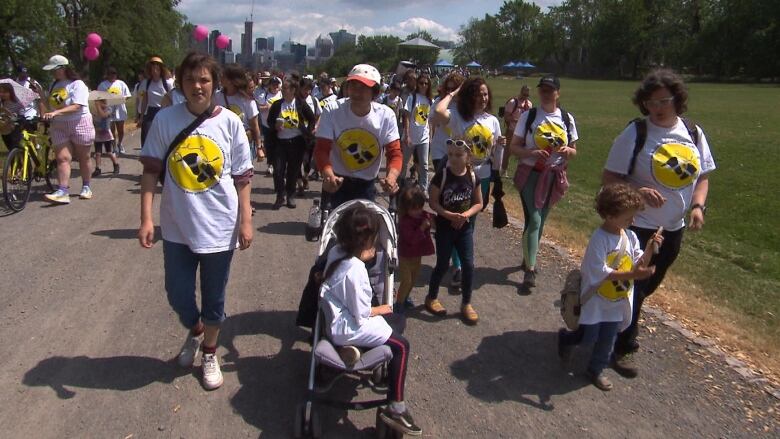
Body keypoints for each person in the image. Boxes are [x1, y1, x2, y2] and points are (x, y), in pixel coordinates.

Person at [137, 52, 254, 390]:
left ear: (215, 84)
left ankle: (209, 351)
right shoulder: (165, 119)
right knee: (177, 294)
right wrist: (146, 218)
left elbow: (243, 178)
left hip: (219, 227)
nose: (197, 86)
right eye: (190, 80)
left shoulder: (230, 122)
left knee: (214, 300)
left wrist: (245, 221)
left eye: (204, 79)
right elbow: (150, 172)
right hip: (176, 227)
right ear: (181, 84)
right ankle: (196, 329)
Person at [602, 69, 715, 377]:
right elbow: (610, 178)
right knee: (637, 284)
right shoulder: (636, 133)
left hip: (673, 228)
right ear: (644, 104)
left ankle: (605, 321)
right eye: (651, 103)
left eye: (664, 100)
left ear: (677, 99)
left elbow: (702, 176)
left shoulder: (693, 133)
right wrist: (637, 191)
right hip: (639, 225)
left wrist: (697, 206)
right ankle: (622, 346)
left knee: (648, 284)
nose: (658, 107)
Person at [320, 205, 422, 436]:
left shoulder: (336, 254)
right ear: (367, 241)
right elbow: (361, 313)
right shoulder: (355, 270)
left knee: (395, 320)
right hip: (348, 326)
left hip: (338, 323)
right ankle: (396, 406)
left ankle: (352, 349)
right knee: (402, 345)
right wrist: (380, 308)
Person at [558, 184, 663, 391]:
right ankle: (566, 338)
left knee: (608, 339)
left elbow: (637, 262)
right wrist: (633, 275)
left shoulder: (629, 237)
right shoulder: (599, 240)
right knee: (588, 336)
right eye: (627, 218)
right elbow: (600, 272)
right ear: (609, 216)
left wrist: (650, 248)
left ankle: (596, 370)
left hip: (616, 300)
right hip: (596, 299)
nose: (632, 222)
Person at [431, 76, 504, 290]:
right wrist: (453, 93)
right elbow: (437, 113)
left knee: (470, 221)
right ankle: (458, 266)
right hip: (459, 175)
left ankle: (461, 261)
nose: (483, 98)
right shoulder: (458, 118)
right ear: (468, 96)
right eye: (478, 93)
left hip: (483, 174)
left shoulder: (492, 120)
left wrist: (498, 161)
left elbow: (495, 149)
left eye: (485, 94)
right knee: (457, 220)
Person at [508, 75, 578, 291]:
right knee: (535, 220)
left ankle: (528, 255)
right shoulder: (529, 117)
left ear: (558, 93)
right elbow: (514, 147)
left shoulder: (567, 119)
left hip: (554, 177)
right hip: (531, 174)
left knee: (538, 221)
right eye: (543, 90)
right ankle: (530, 270)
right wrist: (531, 152)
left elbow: (575, 150)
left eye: (550, 90)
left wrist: (568, 151)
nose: (546, 93)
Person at [314, 64, 402, 208]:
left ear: (375, 92)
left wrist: (391, 177)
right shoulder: (333, 110)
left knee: (364, 228)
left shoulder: (386, 115)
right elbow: (321, 149)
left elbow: (395, 153)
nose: (356, 92)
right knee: (331, 226)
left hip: (366, 185)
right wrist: (328, 174)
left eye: (363, 87)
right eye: (353, 85)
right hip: (336, 181)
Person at [425, 139, 484, 324]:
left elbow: (479, 203)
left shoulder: (473, 177)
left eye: (458, 155)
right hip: (445, 227)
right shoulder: (441, 176)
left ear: (468, 156)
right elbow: (433, 202)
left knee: (469, 264)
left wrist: (465, 215)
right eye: (450, 155)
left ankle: (466, 303)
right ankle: (431, 297)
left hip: (464, 227)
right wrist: (448, 214)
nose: (454, 159)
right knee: (442, 264)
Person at [36, 55, 95, 204]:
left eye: (54, 70)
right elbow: (50, 105)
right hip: (59, 125)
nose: (52, 73)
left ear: (63, 68)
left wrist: (56, 113)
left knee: (84, 157)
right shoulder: (53, 85)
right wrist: (41, 96)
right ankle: (63, 190)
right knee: (62, 158)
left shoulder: (77, 84)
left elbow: (77, 105)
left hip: (79, 122)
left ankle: (86, 186)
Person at [267, 77, 316, 209]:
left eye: (285, 89)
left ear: (293, 90)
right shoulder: (277, 105)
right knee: (278, 170)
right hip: (280, 142)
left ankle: (290, 195)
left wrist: (308, 131)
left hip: (296, 142)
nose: (283, 91)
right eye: (282, 89)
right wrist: (275, 126)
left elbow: (312, 118)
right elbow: (269, 122)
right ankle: (280, 196)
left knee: (293, 171)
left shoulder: (300, 103)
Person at [395, 185, 434, 311]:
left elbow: (434, 219)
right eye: (414, 209)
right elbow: (411, 239)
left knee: (413, 280)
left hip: (417, 255)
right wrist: (422, 228)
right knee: (406, 280)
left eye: (420, 207)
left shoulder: (423, 215)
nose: (418, 211)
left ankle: (405, 298)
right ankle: (399, 303)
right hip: (405, 255)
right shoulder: (404, 222)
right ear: (406, 208)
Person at [215, 64, 261, 160]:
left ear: (231, 81)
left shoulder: (248, 101)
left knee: (242, 173)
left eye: (223, 76)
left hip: (243, 144)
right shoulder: (216, 97)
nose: (220, 78)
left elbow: (255, 126)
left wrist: (259, 147)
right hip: (222, 143)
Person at [402, 73, 433, 192]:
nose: (424, 86)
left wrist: (430, 136)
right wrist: (407, 135)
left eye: (426, 83)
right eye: (421, 83)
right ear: (417, 84)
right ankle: (400, 184)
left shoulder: (430, 100)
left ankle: (423, 188)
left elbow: (429, 120)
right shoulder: (412, 97)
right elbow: (407, 117)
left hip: (423, 136)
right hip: (411, 136)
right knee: (404, 162)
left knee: (424, 165)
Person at [136, 56, 174, 146]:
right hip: (151, 111)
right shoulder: (146, 83)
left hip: (164, 111)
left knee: (163, 136)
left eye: (157, 66)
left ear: (161, 68)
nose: (155, 69)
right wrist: (141, 117)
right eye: (153, 67)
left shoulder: (167, 83)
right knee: (146, 135)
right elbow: (145, 100)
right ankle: (146, 154)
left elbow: (172, 99)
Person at [97, 67, 131, 154]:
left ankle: (120, 144)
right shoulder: (103, 85)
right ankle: (114, 146)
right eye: (110, 73)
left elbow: (127, 95)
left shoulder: (121, 83)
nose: (112, 75)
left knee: (120, 130)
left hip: (120, 109)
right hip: (108, 110)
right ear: (107, 75)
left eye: (114, 73)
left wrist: (119, 100)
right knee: (111, 130)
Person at [501, 85, 532, 176]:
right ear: (521, 92)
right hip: (511, 131)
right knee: (507, 151)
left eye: (527, 95)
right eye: (524, 94)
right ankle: (503, 170)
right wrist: (518, 121)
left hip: (523, 133)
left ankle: (520, 172)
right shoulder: (512, 102)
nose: (525, 96)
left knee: (522, 152)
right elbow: (506, 116)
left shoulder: (529, 104)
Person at [256, 76, 282, 175]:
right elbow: (258, 108)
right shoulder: (264, 95)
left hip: (279, 125)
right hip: (266, 124)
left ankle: (278, 164)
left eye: (277, 84)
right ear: (269, 86)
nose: (275, 86)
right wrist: (267, 107)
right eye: (273, 84)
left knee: (278, 146)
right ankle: (270, 164)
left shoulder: (282, 94)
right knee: (269, 146)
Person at [91, 98, 119, 176]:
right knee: (98, 153)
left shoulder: (108, 110)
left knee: (109, 152)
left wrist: (98, 106)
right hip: (97, 134)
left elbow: (103, 116)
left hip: (106, 134)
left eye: (101, 103)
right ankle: (98, 168)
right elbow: (93, 119)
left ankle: (116, 164)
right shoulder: (95, 111)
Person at [0, 83, 28, 151]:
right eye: (0, 92)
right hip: (4, 129)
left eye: (4, 92)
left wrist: (6, 111)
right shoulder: (1, 102)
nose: (1, 94)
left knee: (15, 148)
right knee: (10, 149)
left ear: (10, 92)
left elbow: (21, 118)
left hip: (14, 129)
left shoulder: (17, 103)